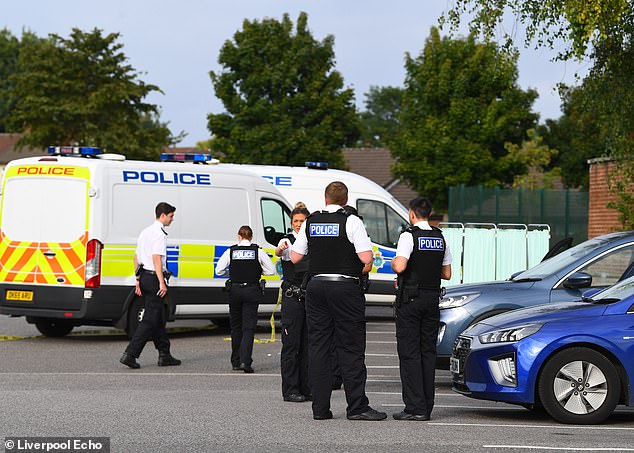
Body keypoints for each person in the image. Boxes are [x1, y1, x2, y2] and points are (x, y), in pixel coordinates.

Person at [292, 181, 387, 421]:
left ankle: (320, 409)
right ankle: (356, 407)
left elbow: (295, 257)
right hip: (345, 288)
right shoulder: (351, 221)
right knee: (350, 347)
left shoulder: (311, 221)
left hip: (315, 287)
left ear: (325, 199)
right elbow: (366, 257)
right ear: (345, 200)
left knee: (319, 347)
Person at [391, 197, 452, 421]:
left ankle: (414, 408)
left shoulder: (409, 236)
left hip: (411, 300)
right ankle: (426, 406)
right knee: (428, 352)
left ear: (413, 214)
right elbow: (447, 274)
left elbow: (400, 265)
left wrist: (393, 263)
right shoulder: (440, 237)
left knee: (409, 353)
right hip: (432, 299)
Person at [120, 202, 181, 369]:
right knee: (149, 320)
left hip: (144, 277)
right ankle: (130, 354)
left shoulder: (145, 232)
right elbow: (156, 259)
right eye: (171, 216)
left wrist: (138, 280)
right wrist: (162, 282)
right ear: (163, 215)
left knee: (158, 317)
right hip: (154, 279)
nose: (172, 219)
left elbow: (136, 258)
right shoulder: (159, 234)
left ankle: (164, 354)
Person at [216, 225, 275, 373]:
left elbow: (219, 270)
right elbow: (271, 270)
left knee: (236, 327)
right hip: (251, 290)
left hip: (235, 290)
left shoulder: (231, 251)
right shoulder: (258, 251)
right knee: (248, 328)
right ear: (251, 236)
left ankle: (235, 361)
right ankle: (245, 362)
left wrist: (231, 273)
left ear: (239, 236)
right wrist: (258, 271)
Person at [276, 203, 311, 402]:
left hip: (309, 297)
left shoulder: (312, 241)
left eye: (302, 221)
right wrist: (280, 249)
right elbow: (279, 252)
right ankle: (290, 389)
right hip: (292, 297)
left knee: (308, 345)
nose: (298, 224)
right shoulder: (288, 241)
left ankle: (306, 387)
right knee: (291, 344)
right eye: (295, 221)